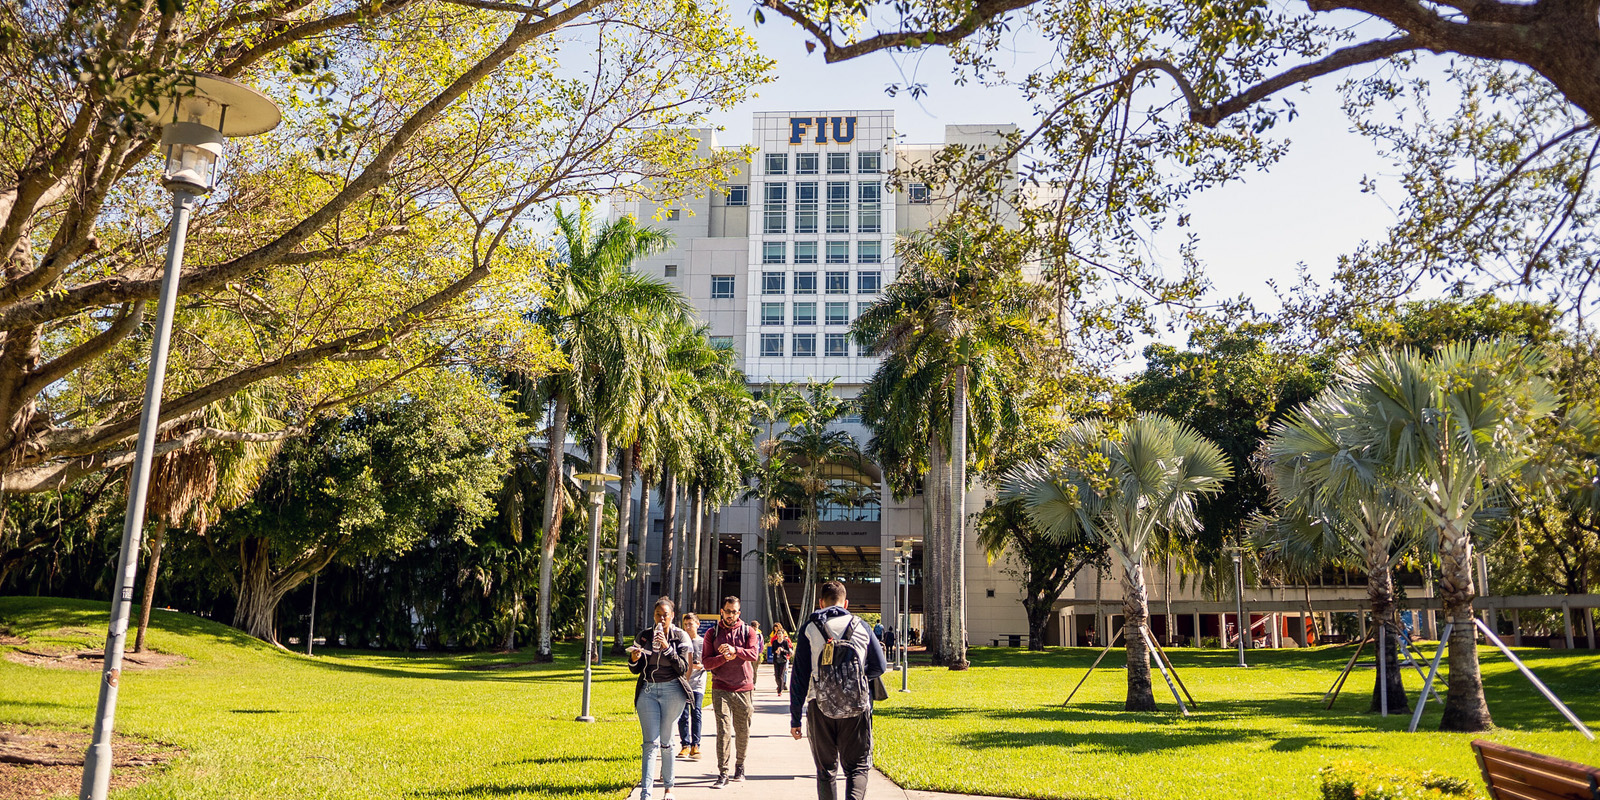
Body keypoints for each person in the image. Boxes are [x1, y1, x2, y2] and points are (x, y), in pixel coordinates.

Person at [790, 580, 887, 800]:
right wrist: (856, 680)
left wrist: (795, 719)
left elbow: (799, 678)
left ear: (820, 602)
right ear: (846, 603)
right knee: (857, 767)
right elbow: (879, 666)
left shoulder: (810, 628)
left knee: (826, 771)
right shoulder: (862, 626)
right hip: (856, 706)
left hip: (819, 706)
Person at [628, 597, 695, 800]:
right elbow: (634, 670)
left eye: (666, 614)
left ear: (672, 616)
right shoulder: (644, 636)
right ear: (654, 615)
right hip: (648, 691)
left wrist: (667, 647)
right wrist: (633, 659)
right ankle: (646, 794)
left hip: (672, 691)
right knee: (650, 743)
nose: (662, 618)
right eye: (658, 614)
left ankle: (668, 788)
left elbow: (683, 668)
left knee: (666, 741)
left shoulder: (680, 636)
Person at [700, 595, 761, 788]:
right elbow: (706, 662)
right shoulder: (712, 633)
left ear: (739, 613)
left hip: (744, 688)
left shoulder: (748, 631)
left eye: (734, 612)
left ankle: (740, 766)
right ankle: (723, 772)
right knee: (723, 731)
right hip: (721, 687)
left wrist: (735, 650)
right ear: (722, 611)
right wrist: (723, 658)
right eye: (728, 611)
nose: (731, 615)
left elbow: (754, 654)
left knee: (742, 731)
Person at [676, 612, 706, 760]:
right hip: (683, 682)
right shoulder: (680, 641)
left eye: (690, 624)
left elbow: (709, 660)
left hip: (698, 684)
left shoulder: (703, 642)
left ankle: (696, 745)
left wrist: (702, 665)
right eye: (685, 624)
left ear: (697, 624)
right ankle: (685, 745)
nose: (688, 627)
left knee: (696, 712)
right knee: (683, 714)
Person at [768, 623, 794, 695]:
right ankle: (779, 685)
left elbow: (788, 651)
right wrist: (776, 651)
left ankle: (780, 689)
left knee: (781, 675)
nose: (779, 635)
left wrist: (783, 650)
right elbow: (772, 651)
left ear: (783, 634)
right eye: (778, 633)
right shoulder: (775, 642)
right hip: (776, 660)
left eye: (780, 634)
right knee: (776, 676)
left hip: (783, 660)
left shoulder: (785, 642)